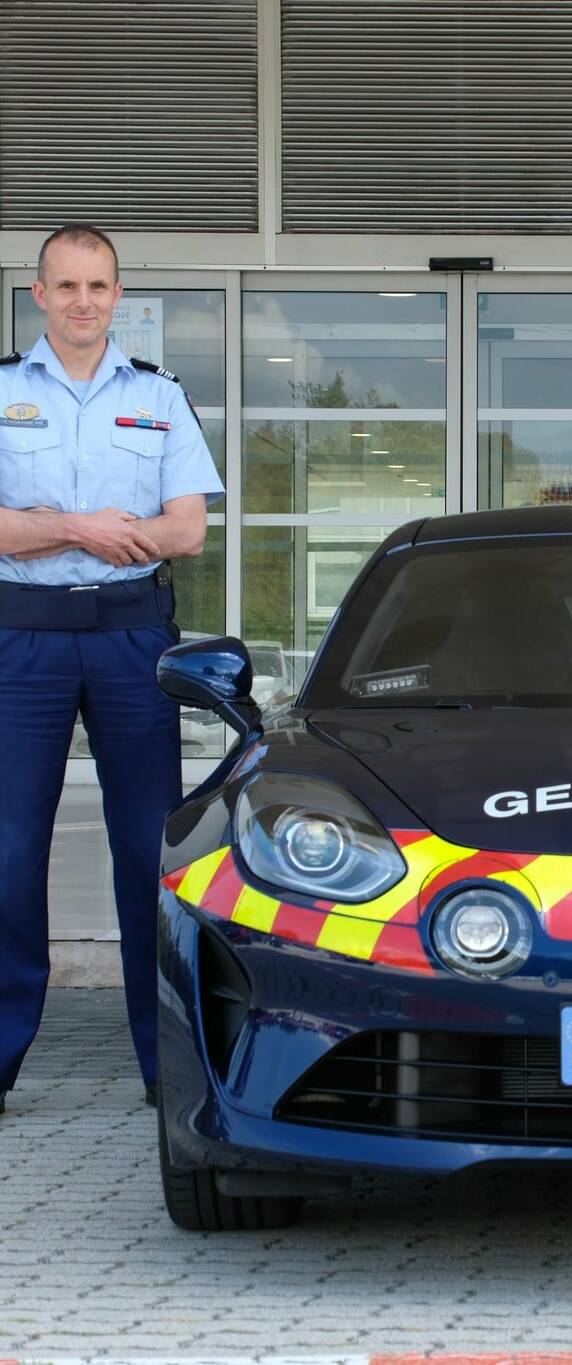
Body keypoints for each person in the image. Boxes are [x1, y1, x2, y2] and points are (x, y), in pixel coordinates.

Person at [0, 225, 225, 1116]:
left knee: (147, 849)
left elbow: (187, 529)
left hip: (134, 639)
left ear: (118, 294)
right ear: (40, 294)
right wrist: (83, 528)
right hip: (24, 638)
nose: (84, 301)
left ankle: (162, 1061)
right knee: (10, 851)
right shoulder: (2, 393)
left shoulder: (161, 400)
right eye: (67, 285)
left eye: (99, 286)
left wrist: (50, 522)